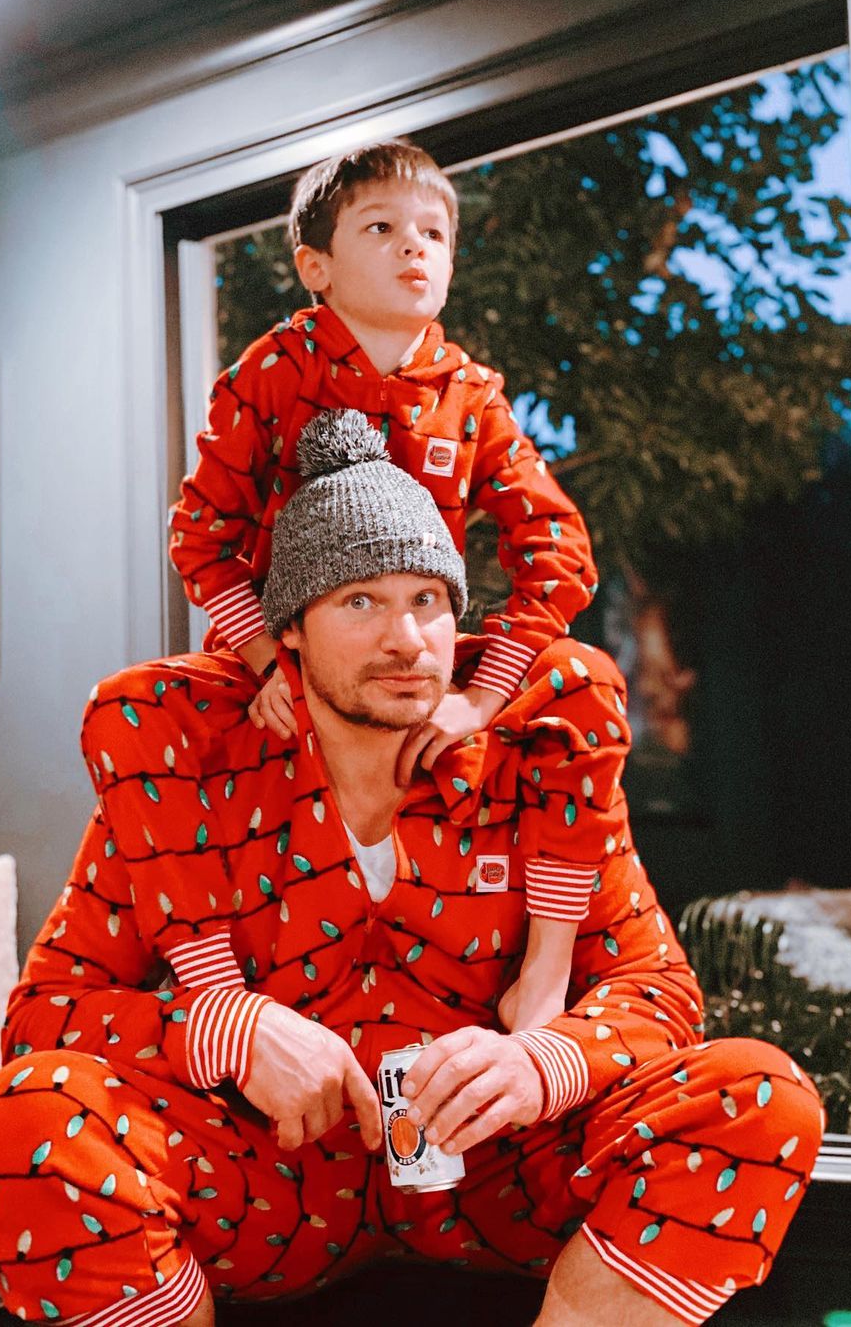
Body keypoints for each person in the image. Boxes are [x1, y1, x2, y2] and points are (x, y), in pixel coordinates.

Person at [0, 415, 824, 1327]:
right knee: (25, 1118)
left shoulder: (537, 771)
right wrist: (225, 1030)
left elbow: (657, 990)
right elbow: (42, 1019)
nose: (408, 638)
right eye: (360, 602)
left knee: (759, 1095)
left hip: (502, 1175)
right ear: (288, 630)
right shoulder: (181, 785)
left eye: (428, 600)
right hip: (261, 1183)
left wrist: (544, 1062)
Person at [173, 140, 602, 1028]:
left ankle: (548, 971)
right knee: (142, 707)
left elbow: (558, 547)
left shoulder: (472, 395)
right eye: (383, 228)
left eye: (435, 234)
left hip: (428, 653)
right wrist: (261, 661)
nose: (416, 248)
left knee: (586, 684)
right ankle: (220, 999)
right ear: (315, 266)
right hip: (293, 653)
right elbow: (199, 536)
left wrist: (479, 698)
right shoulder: (270, 374)